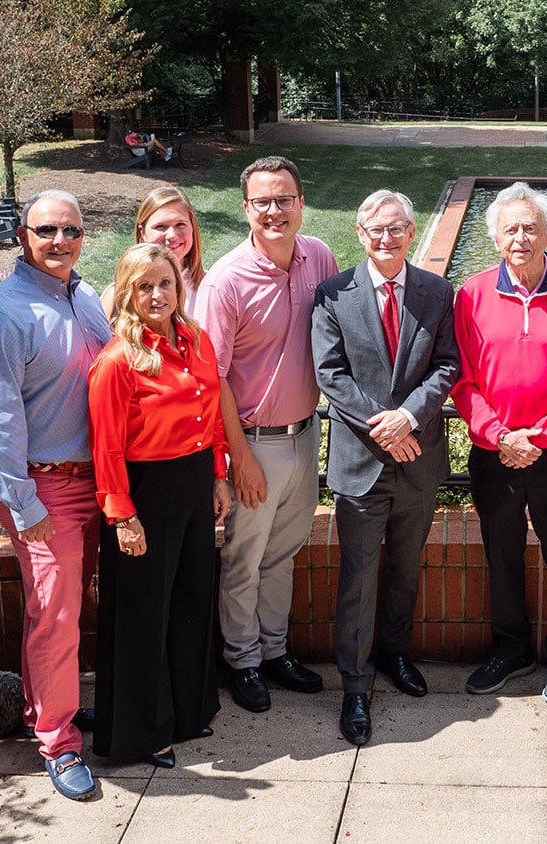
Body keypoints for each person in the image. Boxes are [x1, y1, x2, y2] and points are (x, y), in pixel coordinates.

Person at [0, 189, 113, 800]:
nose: (61, 242)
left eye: (72, 231)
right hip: (44, 489)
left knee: (66, 611)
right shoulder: (2, 316)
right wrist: (24, 506)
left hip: (98, 482)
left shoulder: (85, 296)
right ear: (22, 235)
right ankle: (57, 742)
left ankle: (53, 708)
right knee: (55, 616)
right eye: (47, 230)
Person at [312, 189, 461, 745]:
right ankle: (355, 683)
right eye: (376, 229)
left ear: (412, 228)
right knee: (358, 576)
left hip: (418, 461)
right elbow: (331, 374)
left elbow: (448, 365)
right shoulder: (333, 295)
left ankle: (395, 656)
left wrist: (411, 417)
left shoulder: (436, 291)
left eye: (397, 228)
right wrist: (386, 424)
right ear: (359, 233)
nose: (387, 238)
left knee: (404, 567)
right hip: (363, 462)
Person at [190, 156, 338, 713]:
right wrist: (237, 459)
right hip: (253, 441)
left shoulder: (318, 256)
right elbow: (213, 377)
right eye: (263, 201)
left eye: (284, 199)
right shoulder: (226, 280)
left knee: (283, 554)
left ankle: (275, 651)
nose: (274, 211)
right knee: (245, 560)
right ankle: (243, 660)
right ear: (245, 207)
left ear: (301, 202)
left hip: (306, 433)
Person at [452, 181, 547, 705]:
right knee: (502, 550)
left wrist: (539, 437)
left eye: (531, 228)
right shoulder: (471, 295)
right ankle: (511, 647)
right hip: (494, 453)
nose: (521, 237)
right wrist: (500, 437)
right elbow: (463, 380)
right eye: (510, 229)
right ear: (495, 238)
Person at [88, 242, 231, 768]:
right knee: (143, 615)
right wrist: (122, 514)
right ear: (127, 292)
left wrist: (218, 476)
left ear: (179, 287)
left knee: (193, 599)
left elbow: (212, 412)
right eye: (143, 286)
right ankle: (142, 733)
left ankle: (188, 712)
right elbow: (106, 446)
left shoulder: (197, 339)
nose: (156, 294)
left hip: (193, 482)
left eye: (164, 283)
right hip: (144, 492)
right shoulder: (117, 360)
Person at [101, 186, 206, 316]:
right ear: (142, 232)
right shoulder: (118, 295)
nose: (172, 235)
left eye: (180, 225)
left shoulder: (211, 286)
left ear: (192, 228)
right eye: (160, 226)